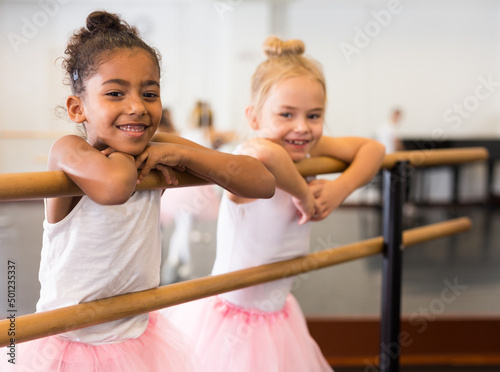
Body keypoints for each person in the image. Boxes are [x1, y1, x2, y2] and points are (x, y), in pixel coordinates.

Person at [3, 11, 275, 372]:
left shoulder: (158, 146)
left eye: (150, 93)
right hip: (72, 345)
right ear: (77, 107)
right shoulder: (68, 151)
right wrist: (146, 153)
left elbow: (262, 182)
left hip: (136, 337)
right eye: (115, 93)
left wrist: (182, 152)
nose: (136, 106)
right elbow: (115, 187)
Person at [165, 36, 386, 371]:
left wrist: (341, 188)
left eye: (314, 115)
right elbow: (266, 153)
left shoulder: (305, 145)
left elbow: (374, 150)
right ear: (254, 117)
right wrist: (302, 193)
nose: (302, 127)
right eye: (286, 114)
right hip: (232, 318)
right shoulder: (247, 162)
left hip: (277, 311)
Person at [159, 100, 236, 283]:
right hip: (194, 190)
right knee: (185, 225)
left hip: (180, 188)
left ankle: (177, 260)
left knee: (182, 224)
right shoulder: (208, 133)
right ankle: (180, 262)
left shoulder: (184, 132)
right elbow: (231, 135)